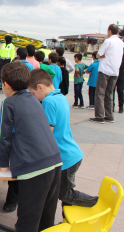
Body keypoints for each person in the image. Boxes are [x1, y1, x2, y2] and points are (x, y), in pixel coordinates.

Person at [0, 61, 62, 232]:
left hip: (34, 167)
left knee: (27, 221)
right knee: (46, 218)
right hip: (55, 161)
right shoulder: (34, 99)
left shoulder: (9, 102)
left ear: (5, 84)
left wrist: (3, 164)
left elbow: (5, 136)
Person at [28, 69, 98, 218]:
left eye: (33, 93)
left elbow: (48, 133)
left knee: (65, 194)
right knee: (67, 192)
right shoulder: (61, 97)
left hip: (65, 158)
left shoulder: (48, 101)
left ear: (40, 87)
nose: (34, 98)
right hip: (72, 153)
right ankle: (70, 220)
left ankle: (95, 202)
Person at [90, 24, 124, 124]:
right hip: (115, 71)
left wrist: (102, 55)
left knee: (100, 93)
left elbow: (99, 54)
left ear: (109, 31)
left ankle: (99, 116)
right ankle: (109, 115)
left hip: (105, 70)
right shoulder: (121, 43)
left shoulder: (108, 41)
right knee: (109, 93)